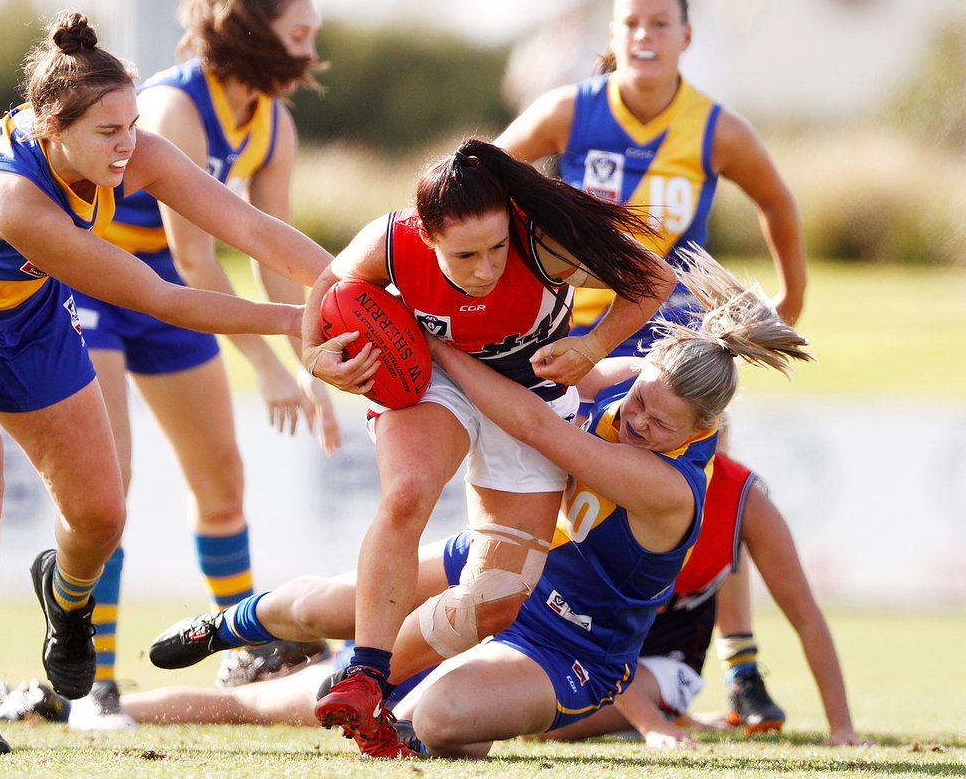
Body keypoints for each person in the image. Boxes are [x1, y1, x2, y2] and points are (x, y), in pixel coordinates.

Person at [0, 11, 331, 755]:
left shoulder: (130, 150)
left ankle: (69, 598)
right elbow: (162, 297)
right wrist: (298, 323)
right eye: (109, 132)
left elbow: (252, 229)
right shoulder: (11, 195)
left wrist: (354, 287)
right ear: (51, 126)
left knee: (101, 516)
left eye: (132, 126)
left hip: (27, 311)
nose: (128, 146)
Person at [150, 248, 812, 757]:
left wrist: (436, 342)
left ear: (701, 435)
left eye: (660, 424)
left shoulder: (672, 489)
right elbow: (547, 377)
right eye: (641, 399)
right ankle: (223, 626)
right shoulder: (625, 382)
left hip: (566, 647)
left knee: (435, 715)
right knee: (325, 604)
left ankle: (435, 716)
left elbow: (536, 427)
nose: (637, 419)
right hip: (499, 562)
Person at [291, 136, 676, 750]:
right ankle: (364, 673)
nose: (488, 267)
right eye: (466, 255)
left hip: (531, 400)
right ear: (426, 234)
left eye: (497, 247)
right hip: (434, 374)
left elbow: (653, 277)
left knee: (495, 602)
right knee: (408, 493)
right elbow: (331, 282)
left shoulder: (545, 243)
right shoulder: (393, 242)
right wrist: (315, 357)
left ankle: (364, 670)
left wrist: (594, 346)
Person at [495, 0, 808, 723]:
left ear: (686, 37)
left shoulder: (715, 128)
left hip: (677, 356)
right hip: (574, 346)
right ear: (612, 30)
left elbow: (778, 201)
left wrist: (788, 305)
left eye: (659, 22)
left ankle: (742, 665)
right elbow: (475, 184)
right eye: (631, 21)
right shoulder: (570, 109)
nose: (645, 35)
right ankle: (507, 629)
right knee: (542, 484)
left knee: (714, 501)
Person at [65, 0, 334, 731]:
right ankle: (93, 683)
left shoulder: (272, 121)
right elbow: (196, 261)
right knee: (107, 488)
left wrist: (311, 363)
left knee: (221, 479)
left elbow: (271, 255)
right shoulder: (178, 106)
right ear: (252, 30)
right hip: (95, 288)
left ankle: (241, 646)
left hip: (167, 303)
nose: (313, 50)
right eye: (299, 33)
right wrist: (269, 367)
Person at [537, 453, 870, 748]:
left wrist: (842, 728)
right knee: (534, 712)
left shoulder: (742, 497)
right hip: (585, 642)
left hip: (663, 659)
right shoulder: (616, 464)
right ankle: (674, 707)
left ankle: (738, 673)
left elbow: (804, 613)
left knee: (551, 724)